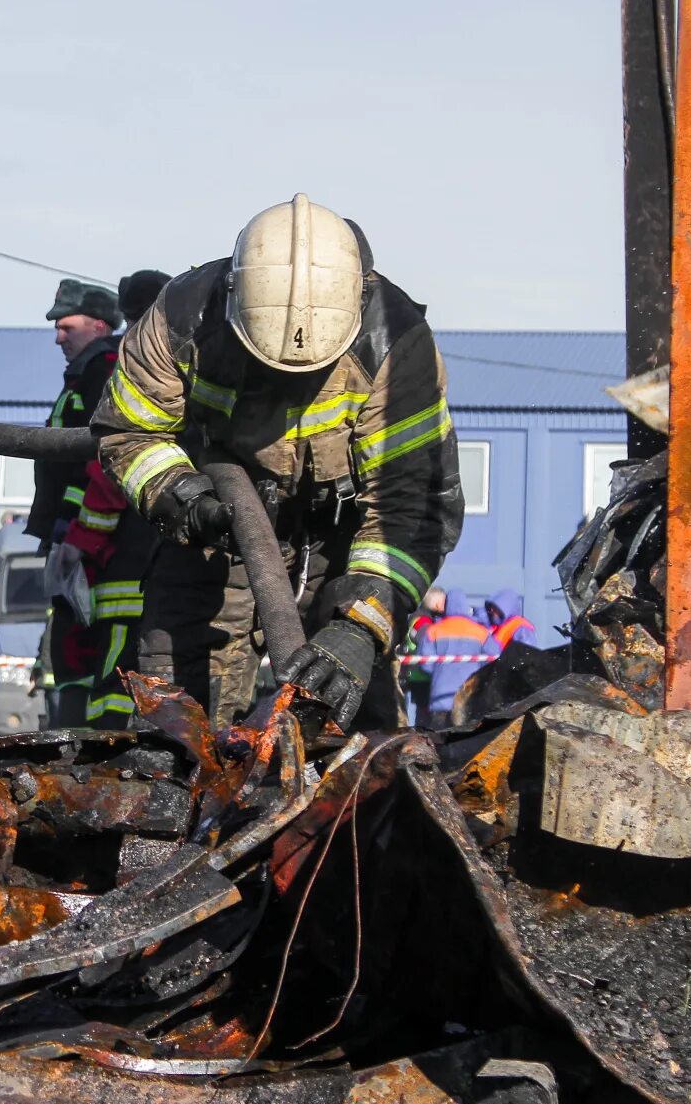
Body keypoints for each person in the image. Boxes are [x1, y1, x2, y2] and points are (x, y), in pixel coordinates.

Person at [92, 194, 465, 730]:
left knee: (352, 715)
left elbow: (413, 505)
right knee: (177, 712)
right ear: (232, 297)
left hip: (345, 538)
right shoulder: (182, 317)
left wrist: (361, 627)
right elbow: (131, 430)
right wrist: (183, 498)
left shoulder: (395, 344)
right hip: (212, 532)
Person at [23, 280, 138, 725]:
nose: (58, 337)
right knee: (69, 646)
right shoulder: (86, 372)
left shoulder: (105, 368)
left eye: (66, 326)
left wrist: (72, 530)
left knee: (85, 647)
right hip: (74, 538)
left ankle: (89, 742)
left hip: (90, 543)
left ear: (99, 325)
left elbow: (98, 461)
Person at [412, 588, 501, 728]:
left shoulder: (434, 630)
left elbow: (425, 663)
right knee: (465, 741)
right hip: (468, 697)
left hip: (440, 698)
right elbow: (494, 660)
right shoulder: (480, 631)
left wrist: (439, 674)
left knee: (438, 741)